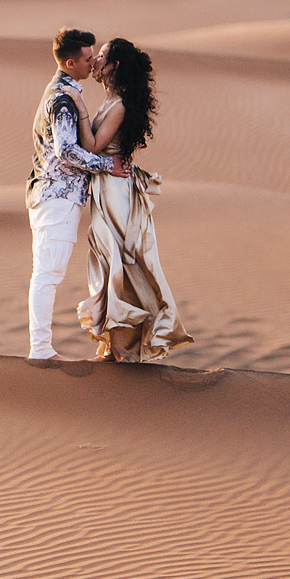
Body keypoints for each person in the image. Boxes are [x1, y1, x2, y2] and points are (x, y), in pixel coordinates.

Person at [73, 37, 192, 362]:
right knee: (109, 261)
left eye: (102, 55)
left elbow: (94, 147)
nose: (95, 59)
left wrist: (78, 107)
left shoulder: (120, 106)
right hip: (107, 189)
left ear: (115, 67)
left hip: (116, 193)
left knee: (119, 262)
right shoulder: (111, 102)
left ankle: (124, 351)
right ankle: (115, 346)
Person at [26, 27, 115, 362]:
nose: (93, 64)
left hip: (54, 196)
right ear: (70, 62)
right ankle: (41, 350)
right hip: (56, 197)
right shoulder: (62, 100)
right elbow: (67, 151)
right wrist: (106, 165)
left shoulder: (63, 92)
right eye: (88, 59)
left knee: (48, 272)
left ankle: (41, 348)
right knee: (48, 273)